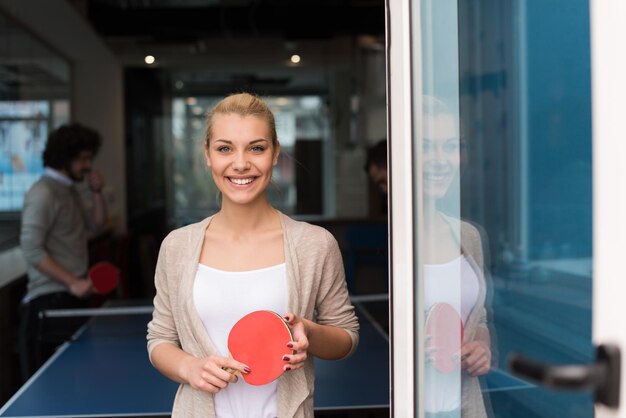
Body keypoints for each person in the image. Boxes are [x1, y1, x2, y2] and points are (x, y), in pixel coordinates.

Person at [147, 92, 359, 417]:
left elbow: (346, 337)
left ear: (275, 153)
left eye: (256, 148)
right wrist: (191, 368)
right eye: (224, 148)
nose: (241, 163)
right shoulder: (177, 247)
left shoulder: (315, 244)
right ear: (207, 154)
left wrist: (309, 333)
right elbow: (160, 339)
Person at [420, 96, 492, 418]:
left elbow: (479, 318)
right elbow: (352, 334)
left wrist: (482, 346)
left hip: (463, 409)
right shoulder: (390, 242)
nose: (441, 160)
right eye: (425, 146)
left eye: (451, 146)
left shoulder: (467, 236)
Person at [18, 123, 108, 380]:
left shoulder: (69, 190)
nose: (89, 165)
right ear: (64, 158)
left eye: (90, 158)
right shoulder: (43, 193)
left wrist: (97, 192)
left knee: (77, 381)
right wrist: (73, 282)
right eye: (83, 159)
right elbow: (32, 248)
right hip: (49, 303)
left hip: (70, 298)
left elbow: (98, 225)